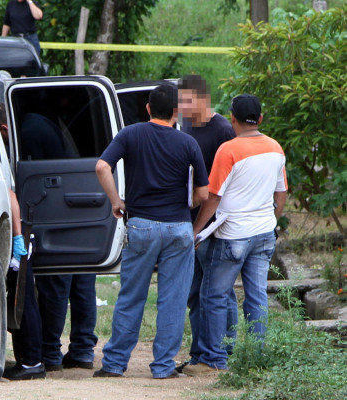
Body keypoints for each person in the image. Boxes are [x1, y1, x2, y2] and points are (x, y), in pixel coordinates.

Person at [93, 82, 209, 379]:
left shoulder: (131, 134)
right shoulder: (188, 143)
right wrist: (189, 203)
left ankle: (115, 364)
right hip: (179, 229)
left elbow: (102, 167)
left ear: (147, 109)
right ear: (176, 112)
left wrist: (116, 200)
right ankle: (163, 367)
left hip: (141, 225)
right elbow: (204, 194)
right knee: (172, 299)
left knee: (131, 295)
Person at [183, 94, 287, 376]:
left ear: (232, 118)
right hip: (264, 233)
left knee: (213, 295)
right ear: (261, 119)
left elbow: (213, 197)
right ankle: (255, 357)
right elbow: (281, 192)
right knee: (256, 297)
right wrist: (271, 220)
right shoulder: (275, 148)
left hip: (232, 236)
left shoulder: (228, 150)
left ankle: (213, 359)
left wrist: (196, 231)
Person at [15, 92, 99, 372]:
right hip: (83, 210)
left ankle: (50, 353)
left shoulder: (28, 129)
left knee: (55, 285)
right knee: (83, 282)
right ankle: (83, 350)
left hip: (54, 214)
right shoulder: (52, 125)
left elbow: (32, 178)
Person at [176, 74, 237, 372]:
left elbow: (231, 181)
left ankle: (227, 349)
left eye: (188, 101)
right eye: (180, 101)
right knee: (195, 291)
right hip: (189, 220)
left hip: (214, 223)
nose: (183, 107)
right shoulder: (185, 127)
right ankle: (200, 352)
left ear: (203, 99)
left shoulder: (223, 130)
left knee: (219, 292)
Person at [0, 102, 46, 380]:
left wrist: (16, 239)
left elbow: (11, 197)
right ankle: (27, 360)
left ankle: (32, 362)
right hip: (19, 233)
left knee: (24, 301)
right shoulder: (0, 150)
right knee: (22, 299)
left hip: (18, 235)